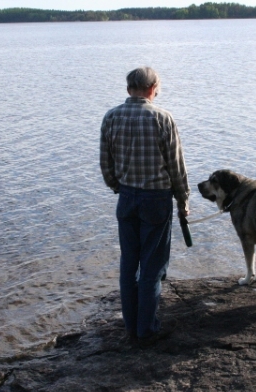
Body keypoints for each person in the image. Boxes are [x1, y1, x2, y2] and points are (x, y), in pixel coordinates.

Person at [100, 67, 190, 345]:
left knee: (129, 264)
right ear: (152, 88)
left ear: (130, 89)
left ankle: (131, 327)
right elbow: (176, 167)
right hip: (156, 199)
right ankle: (146, 329)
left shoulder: (111, 117)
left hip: (126, 198)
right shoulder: (163, 118)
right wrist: (183, 199)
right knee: (152, 267)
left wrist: (119, 187)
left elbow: (106, 165)